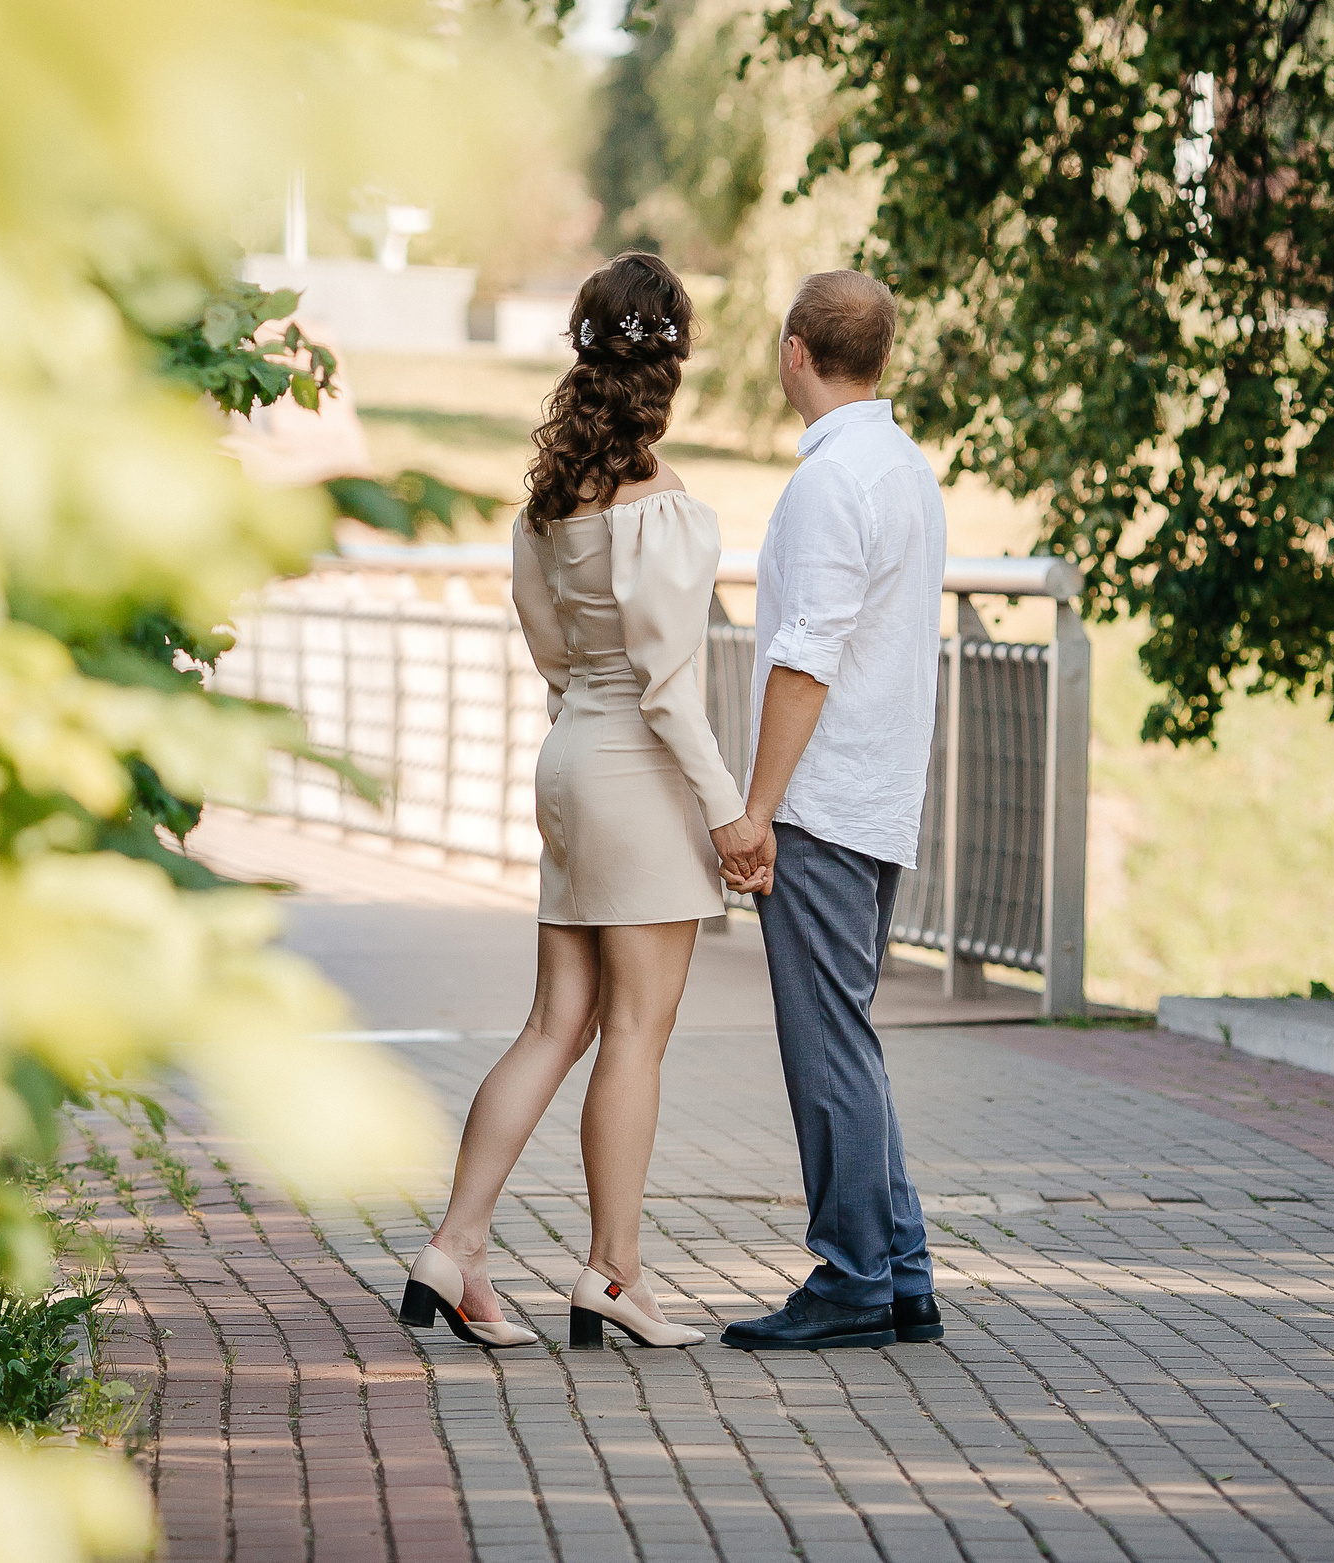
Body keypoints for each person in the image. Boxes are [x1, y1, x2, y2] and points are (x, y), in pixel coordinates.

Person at [397, 253, 772, 1354]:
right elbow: (668, 691)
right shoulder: (670, 513)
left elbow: (555, 658)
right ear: (673, 366)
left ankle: (456, 1247)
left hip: (566, 760)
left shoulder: (544, 512)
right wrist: (727, 816)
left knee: (556, 1023)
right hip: (638, 778)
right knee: (636, 1038)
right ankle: (613, 1275)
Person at [713, 270, 950, 1351]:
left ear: (794, 352)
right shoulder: (905, 470)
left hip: (818, 798)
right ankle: (899, 1272)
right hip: (879, 788)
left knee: (824, 1048)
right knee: (848, 1038)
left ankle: (851, 1278)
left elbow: (802, 659)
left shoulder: (826, 484)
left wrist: (756, 808)